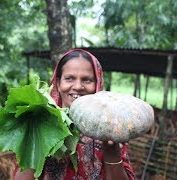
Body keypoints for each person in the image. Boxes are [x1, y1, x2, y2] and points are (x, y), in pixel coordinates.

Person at [13, 48, 135, 180]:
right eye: (69, 78)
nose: (77, 86)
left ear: (97, 85)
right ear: (58, 83)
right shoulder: (41, 123)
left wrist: (112, 152)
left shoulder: (110, 129)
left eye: (87, 80)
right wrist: (36, 136)